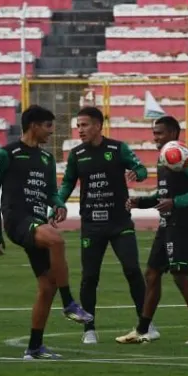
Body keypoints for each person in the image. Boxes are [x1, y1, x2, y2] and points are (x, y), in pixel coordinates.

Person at [0, 105, 90, 360]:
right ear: (33, 125)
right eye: (47, 126)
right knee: (56, 240)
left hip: (36, 220)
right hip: (17, 221)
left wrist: (58, 204)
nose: (51, 132)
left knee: (46, 286)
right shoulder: (6, 154)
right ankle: (69, 304)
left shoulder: (45, 159)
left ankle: (34, 348)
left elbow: (50, 192)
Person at [56, 106, 159, 344]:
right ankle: (89, 329)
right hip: (91, 224)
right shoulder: (77, 154)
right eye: (78, 125)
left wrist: (137, 173)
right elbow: (68, 183)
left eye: (85, 125)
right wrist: (58, 203)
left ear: (98, 126)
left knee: (132, 270)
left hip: (119, 222)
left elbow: (141, 169)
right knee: (90, 276)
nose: (80, 130)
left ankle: (146, 324)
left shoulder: (117, 148)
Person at [116, 116, 188, 346]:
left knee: (180, 277)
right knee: (151, 274)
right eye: (154, 133)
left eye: (159, 133)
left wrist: (177, 202)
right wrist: (141, 202)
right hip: (166, 224)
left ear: (172, 133)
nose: (155, 138)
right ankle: (143, 330)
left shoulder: (184, 155)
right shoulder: (163, 159)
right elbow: (163, 197)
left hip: (182, 225)